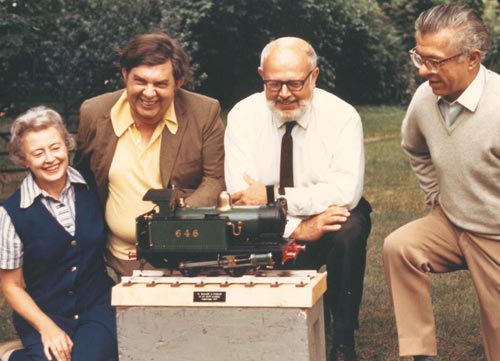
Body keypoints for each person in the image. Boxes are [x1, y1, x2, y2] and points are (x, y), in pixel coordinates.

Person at [224, 37, 372, 361]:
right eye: (274, 84)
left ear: (315, 76)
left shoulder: (343, 117)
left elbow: (345, 191)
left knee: (349, 226)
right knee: (238, 225)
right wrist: (297, 228)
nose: (285, 94)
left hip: (328, 217)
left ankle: (343, 340)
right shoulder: (241, 117)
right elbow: (240, 196)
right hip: (269, 225)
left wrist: (274, 195)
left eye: (295, 83)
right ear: (261, 75)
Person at [383, 4, 500, 361]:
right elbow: (413, 147)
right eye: (419, 56)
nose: (422, 70)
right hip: (450, 222)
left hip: (495, 235)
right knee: (399, 247)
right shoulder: (425, 98)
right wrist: (435, 194)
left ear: (472, 58)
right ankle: (420, 354)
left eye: (435, 61)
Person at [74, 32, 225, 278]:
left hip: (183, 255)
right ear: (125, 75)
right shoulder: (94, 113)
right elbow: (82, 179)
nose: (149, 92)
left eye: (160, 84)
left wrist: (175, 218)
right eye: (140, 81)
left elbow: (215, 179)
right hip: (116, 260)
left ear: (178, 83)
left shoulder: (204, 113)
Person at [0, 106, 117, 361]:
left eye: (55, 147)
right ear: (24, 159)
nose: (50, 158)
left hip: (96, 309)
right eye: (38, 153)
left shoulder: (92, 186)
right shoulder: (10, 213)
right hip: (44, 314)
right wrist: (47, 328)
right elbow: (12, 286)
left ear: (67, 145)